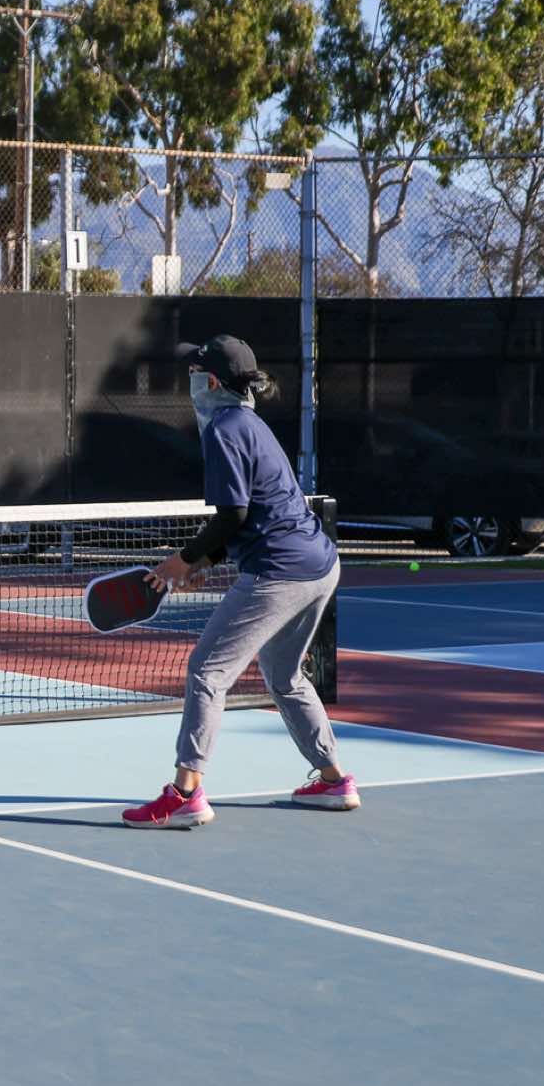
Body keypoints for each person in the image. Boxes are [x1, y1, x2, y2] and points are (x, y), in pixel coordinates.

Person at [123, 335, 355, 828]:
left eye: (193, 374)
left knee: (207, 672)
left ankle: (186, 794)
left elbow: (233, 515)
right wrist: (205, 560)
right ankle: (334, 780)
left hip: (280, 571)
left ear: (210, 382)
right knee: (285, 676)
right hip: (320, 564)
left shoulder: (224, 429)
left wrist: (184, 560)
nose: (187, 381)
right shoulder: (252, 423)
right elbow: (256, 516)